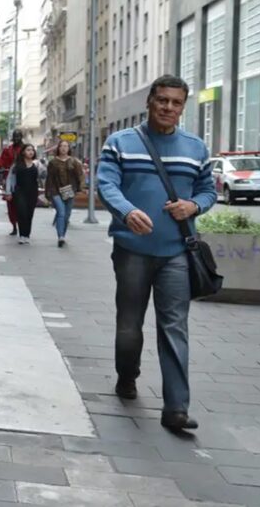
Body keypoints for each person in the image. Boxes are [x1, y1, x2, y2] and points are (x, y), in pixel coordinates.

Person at [96, 75, 216, 433]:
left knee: (174, 326)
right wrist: (127, 211)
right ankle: (127, 376)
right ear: (149, 101)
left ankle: (176, 408)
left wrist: (193, 205)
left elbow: (209, 190)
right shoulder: (121, 142)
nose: (168, 108)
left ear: (183, 107)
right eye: (162, 100)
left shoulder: (196, 148)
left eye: (176, 103)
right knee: (129, 323)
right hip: (132, 250)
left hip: (178, 252)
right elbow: (106, 184)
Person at [44, 139, 84, 248]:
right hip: (56, 190)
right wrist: (48, 192)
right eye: (62, 146)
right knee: (61, 212)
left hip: (70, 191)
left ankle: (63, 234)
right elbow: (49, 178)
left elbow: (80, 175)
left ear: (69, 148)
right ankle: (60, 236)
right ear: (58, 148)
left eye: (66, 146)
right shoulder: (53, 162)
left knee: (67, 215)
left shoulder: (74, 162)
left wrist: (80, 188)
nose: (63, 148)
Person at [5, 143, 39, 244]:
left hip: (32, 192)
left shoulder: (36, 164)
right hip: (19, 191)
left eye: (32, 150)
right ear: (23, 152)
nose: (30, 152)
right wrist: (8, 192)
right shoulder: (17, 165)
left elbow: (43, 176)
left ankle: (27, 235)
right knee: (21, 212)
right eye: (28, 150)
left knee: (29, 214)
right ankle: (22, 235)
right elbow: (10, 178)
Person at [0, 130, 24, 235]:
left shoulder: (26, 149)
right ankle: (14, 226)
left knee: (22, 204)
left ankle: (22, 225)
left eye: (18, 136)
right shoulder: (8, 150)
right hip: (9, 180)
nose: (16, 138)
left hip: (22, 180)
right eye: (15, 136)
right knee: (11, 204)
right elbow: (1, 163)